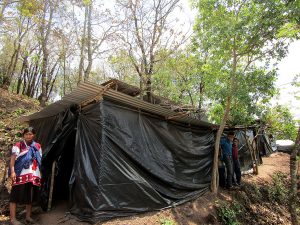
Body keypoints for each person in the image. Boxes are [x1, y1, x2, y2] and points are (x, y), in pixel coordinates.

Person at [9, 127, 42, 225]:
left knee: (29, 196)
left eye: (31, 134)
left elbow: (39, 159)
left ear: (34, 135)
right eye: (27, 134)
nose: (29, 136)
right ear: (23, 135)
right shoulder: (18, 145)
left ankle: (28, 217)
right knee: (14, 195)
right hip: (20, 174)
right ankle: (13, 219)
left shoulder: (37, 146)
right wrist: (12, 172)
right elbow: (12, 160)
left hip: (32, 174)